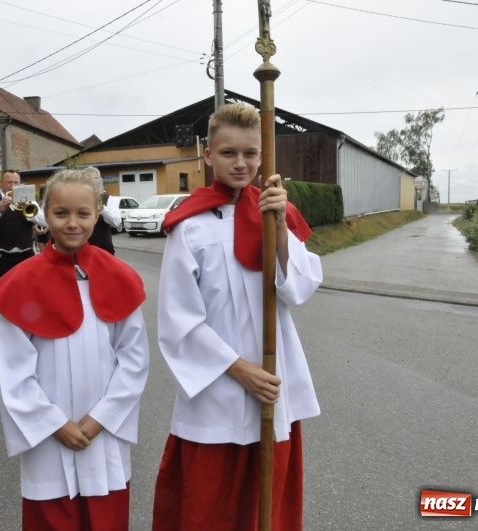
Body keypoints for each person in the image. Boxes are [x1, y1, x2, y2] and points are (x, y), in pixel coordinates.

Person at [151, 102, 323, 531]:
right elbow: (178, 320)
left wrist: (281, 227)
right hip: (218, 389)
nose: (241, 163)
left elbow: (298, 289)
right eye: (229, 153)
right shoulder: (189, 226)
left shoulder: (274, 213)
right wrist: (240, 369)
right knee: (211, 506)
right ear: (208, 155)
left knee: (266, 506)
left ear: (263, 155)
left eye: (250, 153)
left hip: (272, 379)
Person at [0, 167, 150, 530]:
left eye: (83, 213)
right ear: (45, 214)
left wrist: (100, 419)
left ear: (97, 214)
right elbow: (13, 370)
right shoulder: (22, 283)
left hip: (103, 432)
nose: (72, 223)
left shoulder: (118, 276)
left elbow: (134, 360)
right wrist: (54, 424)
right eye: (61, 213)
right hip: (49, 438)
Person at [0, 169, 45, 290]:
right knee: (0, 294)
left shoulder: (29, 200)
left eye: (16, 182)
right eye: (9, 182)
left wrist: (30, 212)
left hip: (25, 255)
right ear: (1, 183)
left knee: (27, 292)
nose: (13, 186)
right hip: (1, 257)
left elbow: (44, 221)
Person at [87, 184, 122, 255]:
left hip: (104, 250)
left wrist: (101, 205)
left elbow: (116, 222)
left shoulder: (109, 199)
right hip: (82, 250)